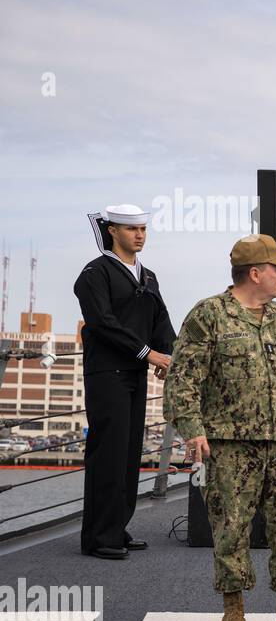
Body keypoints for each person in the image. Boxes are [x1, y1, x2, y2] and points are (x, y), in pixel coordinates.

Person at [168, 233, 276, 621]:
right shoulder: (208, 316)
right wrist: (193, 429)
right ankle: (233, 610)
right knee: (230, 527)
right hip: (229, 444)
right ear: (255, 273)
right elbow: (184, 379)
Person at [73, 204, 176, 560]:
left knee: (130, 452)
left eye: (144, 229)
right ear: (113, 231)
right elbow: (101, 322)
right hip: (107, 373)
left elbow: (160, 318)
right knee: (108, 453)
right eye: (132, 229)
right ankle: (99, 537)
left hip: (133, 373)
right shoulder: (95, 273)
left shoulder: (147, 276)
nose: (140, 235)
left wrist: (169, 355)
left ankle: (118, 527)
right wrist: (148, 353)